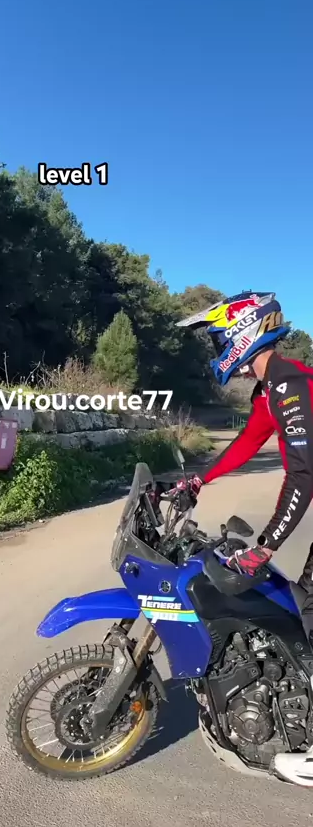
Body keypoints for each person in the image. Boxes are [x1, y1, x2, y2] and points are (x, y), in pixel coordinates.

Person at [174, 290, 313, 785]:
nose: (217, 351)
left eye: (219, 340)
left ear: (244, 334)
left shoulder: (291, 386)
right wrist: (199, 479)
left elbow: (303, 475)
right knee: (299, 605)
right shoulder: (270, 389)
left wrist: (267, 545)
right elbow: (248, 444)